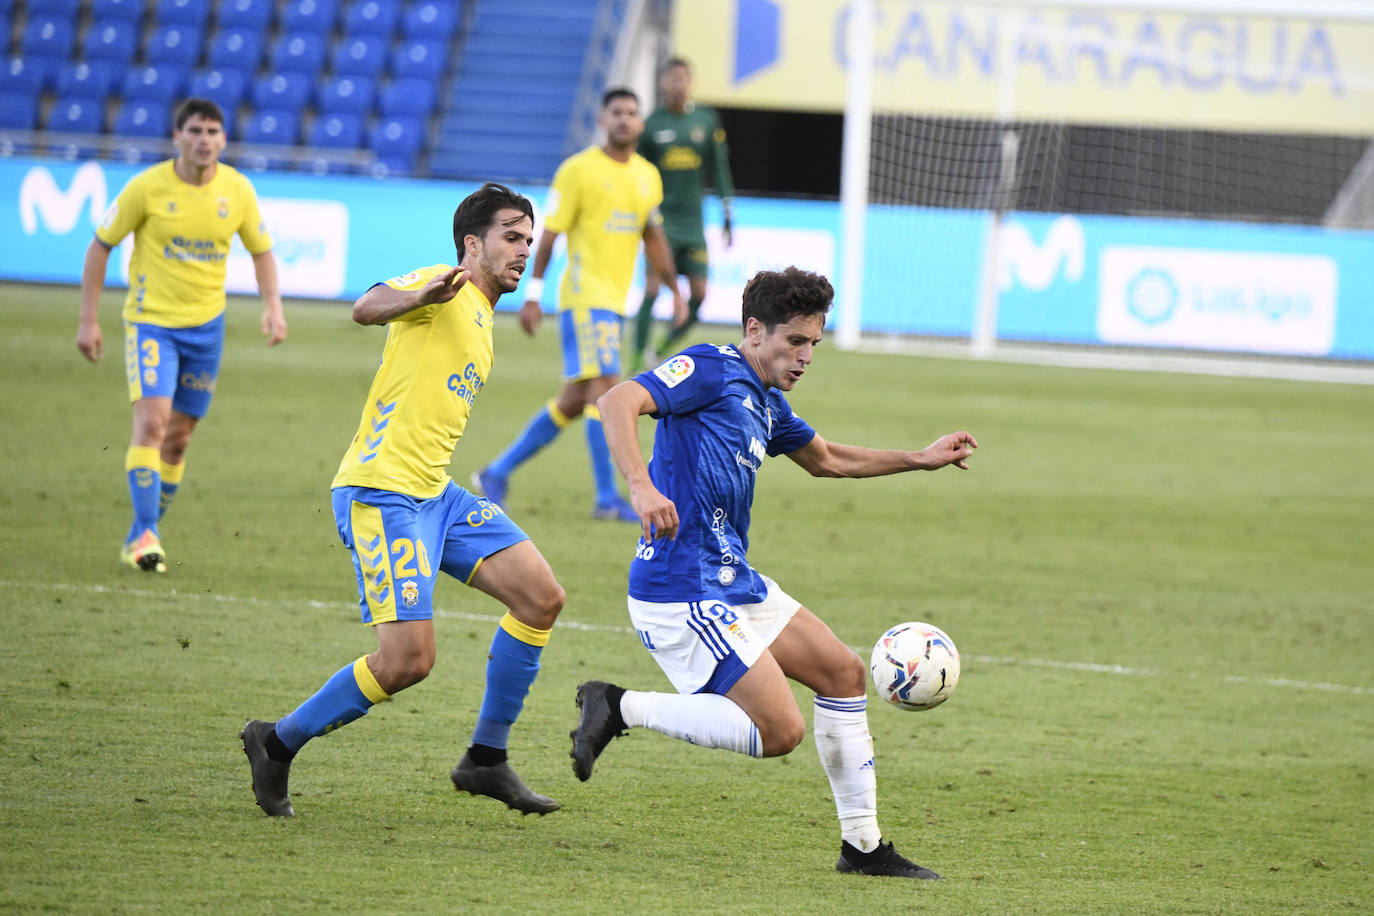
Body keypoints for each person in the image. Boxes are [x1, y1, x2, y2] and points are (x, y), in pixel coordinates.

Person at [570, 267, 977, 878]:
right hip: (681, 588)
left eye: (814, 343)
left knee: (842, 672)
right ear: (754, 330)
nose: (807, 355)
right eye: (796, 342)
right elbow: (617, 399)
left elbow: (829, 459)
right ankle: (619, 706)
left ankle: (863, 848)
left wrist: (918, 459)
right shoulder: (709, 367)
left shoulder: (767, 402)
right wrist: (641, 484)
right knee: (779, 730)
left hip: (732, 579)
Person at [240, 183, 568, 817]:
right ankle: (275, 744)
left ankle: (486, 760)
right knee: (408, 661)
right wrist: (417, 295)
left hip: (434, 495)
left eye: (529, 239)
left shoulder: (483, 311)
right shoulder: (443, 284)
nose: (524, 250)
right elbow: (366, 306)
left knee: (540, 597)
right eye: (511, 237)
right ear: (473, 245)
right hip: (383, 492)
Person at [77, 97, 287, 574]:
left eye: (213, 131)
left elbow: (262, 251)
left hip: (207, 329)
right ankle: (147, 534)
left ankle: (142, 529)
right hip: (152, 323)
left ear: (224, 140)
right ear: (178, 136)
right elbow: (100, 245)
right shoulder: (147, 187)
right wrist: (88, 318)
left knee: (178, 441)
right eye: (195, 130)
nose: (204, 140)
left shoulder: (237, 189)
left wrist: (273, 307)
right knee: (151, 425)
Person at [471, 88, 684, 523]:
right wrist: (533, 294)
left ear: (640, 123)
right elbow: (548, 235)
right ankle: (607, 497)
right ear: (603, 119)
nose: (624, 119)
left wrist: (675, 289)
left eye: (632, 112)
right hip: (586, 297)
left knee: (574, 400)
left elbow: (653, 235)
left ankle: (496, 473)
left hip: (614, 300)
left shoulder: (648, 175)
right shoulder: (578, 170)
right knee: (609, 388)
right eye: (616, 112)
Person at [626, 57, 735, 375]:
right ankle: (636, 356)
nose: (678, 84)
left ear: (691, 82)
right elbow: (638, 172)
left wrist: (728, 211)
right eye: (672, 78)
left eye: (684, 78)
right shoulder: (651, 125)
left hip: (693, 222)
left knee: (699, 295)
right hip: (661, 222)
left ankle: (660, 349)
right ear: (663, 83)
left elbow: (719, 167)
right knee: (651, 289)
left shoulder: (706, 120)